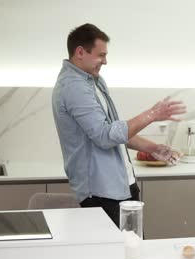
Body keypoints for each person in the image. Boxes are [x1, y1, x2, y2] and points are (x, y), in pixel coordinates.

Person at [52, 23, 186, 227]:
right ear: (80, 52)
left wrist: (153, 148)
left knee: (134, 251)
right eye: (100, 55)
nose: (105, 61)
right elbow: (106, 136)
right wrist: (152, 114)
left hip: (122, 184)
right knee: (119, 255)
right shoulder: (73, 87)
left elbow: (115, 130)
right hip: (101, 192)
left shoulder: (94, 81)